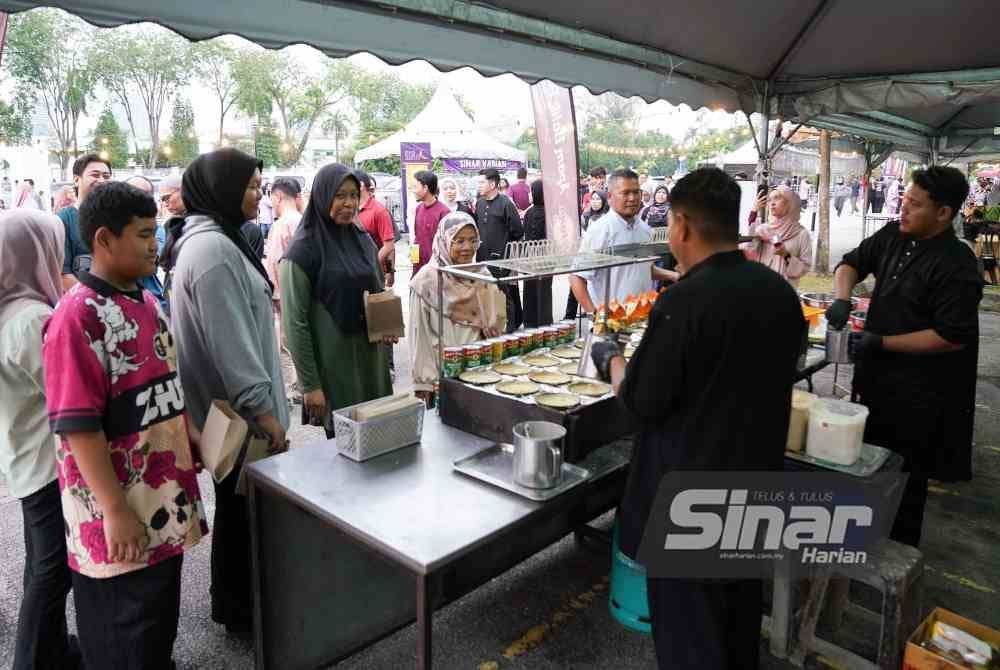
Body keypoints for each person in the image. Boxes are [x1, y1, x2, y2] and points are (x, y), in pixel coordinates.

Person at [591, 167, 804, 670]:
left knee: (692, 636)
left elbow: (641, 401)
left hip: (689, 503)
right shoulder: (776, 292)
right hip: (755, 486)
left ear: (681, 225)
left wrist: (609, 358)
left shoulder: (683, 302)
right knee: (735, 623)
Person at [42, 181, 207, 668]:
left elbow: (165, 387)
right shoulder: (77, 317)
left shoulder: (145, 301)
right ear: (103, 240)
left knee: (155, 622)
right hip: (117, 510)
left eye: (155, 231)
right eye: (142, 233)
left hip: (162, 499)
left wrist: (189, 432)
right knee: (123, 632)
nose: (154, 243)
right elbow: (79, 426)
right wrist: (114, 509)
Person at [164, 148, 289, 634]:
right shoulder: (213, 251)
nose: (259, 194)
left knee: (240, 515)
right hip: (239, 418)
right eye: (252, 186)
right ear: (221, 190)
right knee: (241, 517)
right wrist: (265, 412)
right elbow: (232, 344)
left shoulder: (214, 241)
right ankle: (241, 612)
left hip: (229, 414)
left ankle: (237, 606)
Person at [826, 166, 982, 548]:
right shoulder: (894, 235)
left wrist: (883, 343)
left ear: (943, 213)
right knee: (868, 460)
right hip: (877, 380)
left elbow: (950, 337)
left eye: (914, 203)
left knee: (903, 476)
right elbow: (850, 262)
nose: (903, 207)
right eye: (904, 199)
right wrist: (843, 298)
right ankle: (861, 538)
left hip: (920, 394)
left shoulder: (956, 264)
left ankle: (895, 549)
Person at [0, 210, 82, 670]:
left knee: (41, 564)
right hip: (47, 462)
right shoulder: (33, 319)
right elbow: (65, 395)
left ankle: (49, 650)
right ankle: (30, 660)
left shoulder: (8, 309)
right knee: (52, 571)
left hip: (23, 456)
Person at [282, 164, 393, 433]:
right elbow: (295, 325)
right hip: (337, 367)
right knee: (346, 444)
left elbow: (377, 290)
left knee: (380, 435)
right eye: (340, 195)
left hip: (372, 360)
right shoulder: (302, 251)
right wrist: (311, 385)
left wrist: (389, 324)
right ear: (322, 196)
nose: (349, 203)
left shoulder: (361, 239)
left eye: (354, 195)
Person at [409, 212, 505, 402]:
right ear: (445, 241)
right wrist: (424, 383)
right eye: (459, 241)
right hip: (444, 374)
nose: (467, 248)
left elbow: (498, 323)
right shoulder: (427, 281)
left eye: (472, 240)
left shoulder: (482, 275)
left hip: (480, 368)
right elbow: (419, 337)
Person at [571, 169, 653, 313]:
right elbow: (577, 277)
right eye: (625, 193)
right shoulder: (600, 230)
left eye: (636, 192)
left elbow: (644, 267)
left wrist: (673, 275)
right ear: (609, 196)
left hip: (641, 318)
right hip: (611, 322)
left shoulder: (644, 228)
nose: (633, 198)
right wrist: (595, 316)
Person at [476, 168, 524, 332]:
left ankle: (510, 330)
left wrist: (504, 247)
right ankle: (491, 328)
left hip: (502, 259)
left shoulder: (506, 203)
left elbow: (518, 231)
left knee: (504, 294)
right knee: (486, 294)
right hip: (482, 257)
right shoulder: (480, 203)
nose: (479, 186)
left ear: (492, 184)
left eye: (481, 182)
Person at [743, 185, 813, 288]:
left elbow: (804, 268)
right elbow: (748, 249)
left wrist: (786, 255)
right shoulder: (763, 230)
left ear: (790, 203)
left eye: (777, 198)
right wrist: (753, 212)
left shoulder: (801, 234)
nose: (772, 203)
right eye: (770, 200)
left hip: (785, 293)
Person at [60, 153, 113, 290]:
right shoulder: (64, 219)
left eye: (106, 176)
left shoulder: (117, 217)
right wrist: (97, 299)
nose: (101, 180)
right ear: (77, 180)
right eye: (95, 175)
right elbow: (63, 275)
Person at [122, 176, 170, 315]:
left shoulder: (159, 230)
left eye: (145, 195)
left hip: (155, 306)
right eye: (132, 194)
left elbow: (155, 259)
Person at [355, 170, 397, 287]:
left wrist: (372, 266)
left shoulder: (379, 211)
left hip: (374, 274)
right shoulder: (352, 210)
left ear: (361, 185)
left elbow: (389, 246)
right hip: (355, 273)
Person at [522, 179, 552, 326]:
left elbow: (527, 236)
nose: (529, 194)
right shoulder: (551, 213)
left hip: (530, 259)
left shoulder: (530, 213)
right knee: (544, 293)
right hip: (546, 259)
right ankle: (544, 323)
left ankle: (530, 323)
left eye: (530, 192)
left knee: (530, 291)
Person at [410, 170, 451, 279]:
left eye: (415, 187)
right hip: (419, 270)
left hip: (437, 272)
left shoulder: (444, 212)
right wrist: (414, 264)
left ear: (425, 188)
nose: (413, 190)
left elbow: (447, 247)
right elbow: (416, 239)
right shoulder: (418, 209)